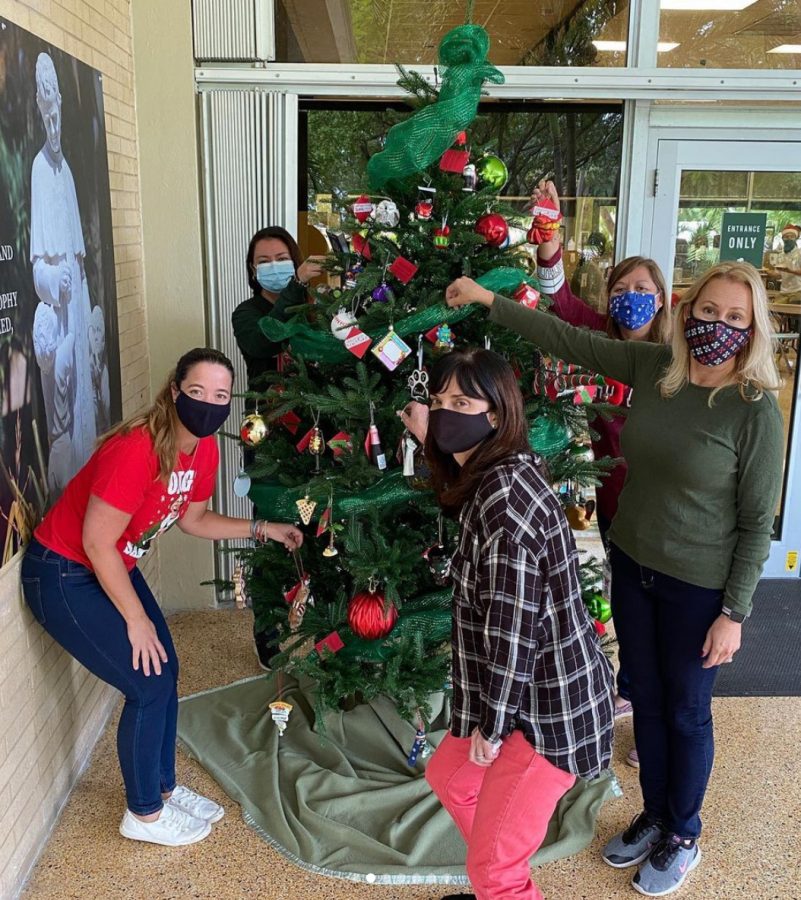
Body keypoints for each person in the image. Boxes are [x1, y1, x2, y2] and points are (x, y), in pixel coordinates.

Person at [443, 262, 783, 896]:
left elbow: (756, 523)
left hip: (700, 586)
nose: (719, 325)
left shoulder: (754, 410)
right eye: (709, 310)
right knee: (646, 699)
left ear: (754, 326)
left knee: (686, 710)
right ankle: (654, 815)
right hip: (634, 565)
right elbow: (568, 338)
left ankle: (683, 831)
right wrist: (489, 300)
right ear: (687, 311)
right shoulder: (659, 371)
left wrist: (733, 613)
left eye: (736, 317)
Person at [20, 348, 303, 847]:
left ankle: (164, 790)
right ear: (175, 392)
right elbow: (95, 541)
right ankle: (143, 813)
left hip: (109, 564)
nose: (209, 405)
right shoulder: (136, 449)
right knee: (147, 684)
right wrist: (136, 619)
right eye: (197, 393)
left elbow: (194, 519)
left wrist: (263, 528)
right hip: (62, 573)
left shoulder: (205, 447)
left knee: (165, 672)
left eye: (220, 396)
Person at [406, 350, 614, 900]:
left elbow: (513, 631)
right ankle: (498, 863)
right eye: (440, 401)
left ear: (496, 414)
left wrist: (493, 727)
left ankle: (501, 880)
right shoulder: (497, 470)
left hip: (545, 710)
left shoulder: (505, 505)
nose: (447, 413)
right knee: (450, 778)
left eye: (462, 403)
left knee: (495, 875)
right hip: (520, 696)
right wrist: (430, 434)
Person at [531, 180, 673, 760]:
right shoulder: (597, 339)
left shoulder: (678, 358)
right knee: (629, 607)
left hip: (666, 511)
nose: (632, 297)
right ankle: (633, 693)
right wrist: (549, 235)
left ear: (662, 299)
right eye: (622, 287)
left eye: (643, 289)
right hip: (615, 505)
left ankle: (654, 711)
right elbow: (555, 297)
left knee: (663, 614)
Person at [232, 226, 324, 670]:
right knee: (270, 535)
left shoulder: (315, 310)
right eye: (263, 261)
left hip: (318, 434)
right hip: (267, 437)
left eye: (280, 257)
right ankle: (268, 635)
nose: (273, 267)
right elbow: (263, 338)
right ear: (253, 270)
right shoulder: (245, 313)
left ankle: (326, 628)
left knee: (323, 530)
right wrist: (297, 285)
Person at [30, 52, 96, 481]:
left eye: (58, 109)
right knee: (64, 422)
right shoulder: (38, 168)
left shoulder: (67, 171)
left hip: (79, 297)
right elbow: (39, 272)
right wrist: (56, 276)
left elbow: (79, 255)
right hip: (59, 309)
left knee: (86, 411)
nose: (54, 120)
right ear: (40, 106)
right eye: (46, 106)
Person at [768, 223, 801, 302]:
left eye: (791, 236)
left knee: (795, 303)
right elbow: (778, 276)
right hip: (784, 292)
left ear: (795, 238)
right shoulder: (780, 255)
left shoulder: (800, 253)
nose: (789, 238)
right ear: (783, 239)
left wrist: (789, 270)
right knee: (774, 309)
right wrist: (767, 271)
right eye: (786, 237)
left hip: (798, 291)